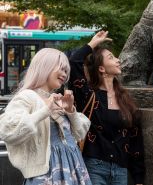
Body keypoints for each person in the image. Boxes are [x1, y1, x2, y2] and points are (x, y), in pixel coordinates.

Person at [0, 48, 92, 185]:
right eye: (61, 69)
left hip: (74, 169)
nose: (64, 75)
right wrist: (45, 111)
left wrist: (71, 111)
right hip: (47, 175)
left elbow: (80, 134)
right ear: (44, 67)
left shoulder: (56, 99)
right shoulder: (27, 96)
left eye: (66, 71)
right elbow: (7, 130)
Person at [68, 30, 145, 185]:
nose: (118, 60)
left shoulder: (126, 99)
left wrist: (138, 179)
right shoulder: (88, 95)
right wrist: (93, 44)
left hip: (121, 169)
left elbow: (136, 140)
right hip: (94, 166)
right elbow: (74, 62)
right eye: (111, 57)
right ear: (101, 68)